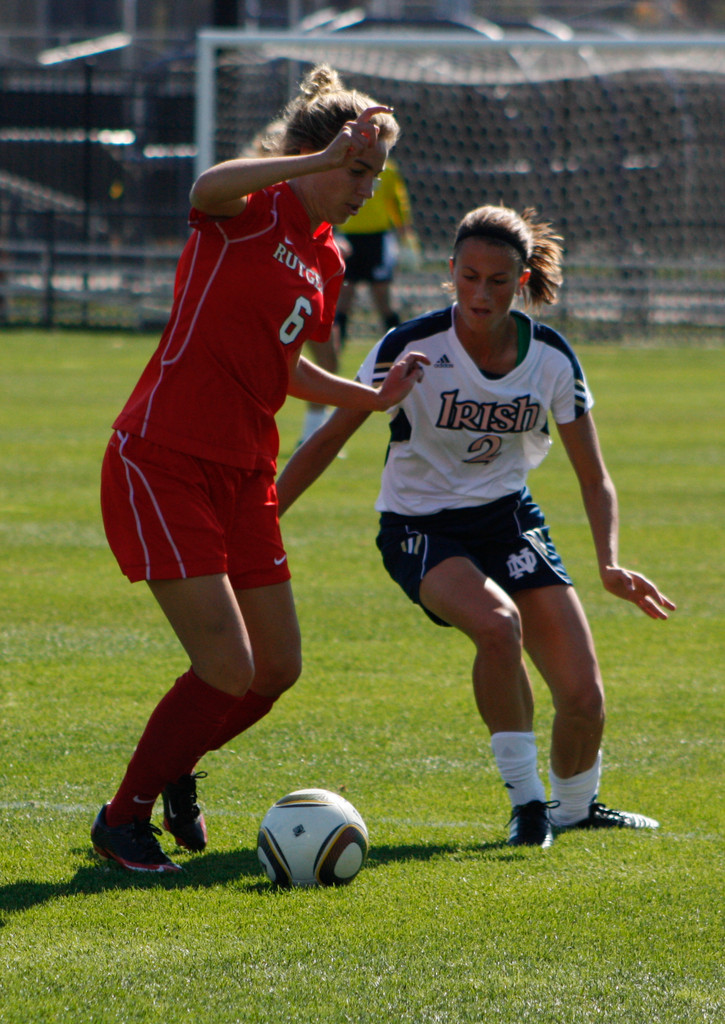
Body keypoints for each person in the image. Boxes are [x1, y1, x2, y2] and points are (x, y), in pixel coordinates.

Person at [91, 64, 427, 873]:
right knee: (225, 666)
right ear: (313, 154)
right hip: (165, 456)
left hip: (245, 472)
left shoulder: (328, 260)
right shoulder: (251, 209)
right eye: (356, 170)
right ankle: (123, 819)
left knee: (274, 668)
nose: (364, 188)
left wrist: (372, 395)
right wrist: (312, 163)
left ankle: (172, 768)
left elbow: (285, 369)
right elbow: (207, 183)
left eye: (372, 174)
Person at [276, 203, 676, 848]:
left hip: (509, 520)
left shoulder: (550, 358)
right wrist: (266, 518)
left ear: (521, 281)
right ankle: (529, 808)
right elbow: (327, 437)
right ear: (451, 273)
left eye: (497, 281)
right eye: (468, 277)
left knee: (583, 694)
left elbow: (593, 475)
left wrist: (608, 561)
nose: (480, 293)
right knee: (498, 626)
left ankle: (576, 808)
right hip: (420, 525)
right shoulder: (410, 346)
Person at [298, 155, 418, 443]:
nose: (366, 186)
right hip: (348, 235)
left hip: (376, 238)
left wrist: (405, 236)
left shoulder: (388, 170)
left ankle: (402, 348)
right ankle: (334, 349)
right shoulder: (340, 170)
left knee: (383, 300)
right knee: (343, 300)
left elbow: (398, 202)